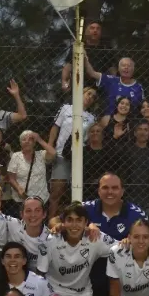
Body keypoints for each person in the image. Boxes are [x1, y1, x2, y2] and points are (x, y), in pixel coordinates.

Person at [36, 202, 116, 296]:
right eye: (70, 220)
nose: (74, 225)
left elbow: (120, 249)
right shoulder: (50, 241)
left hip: (82, 294)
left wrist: (127, 242)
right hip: (56, 292)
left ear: (86, 222)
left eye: (79, 220)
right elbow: (39, 275)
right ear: (63, 222)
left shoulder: (95, 237)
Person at [83, 173, 149, 296]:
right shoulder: (86, 208)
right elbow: (56, 221)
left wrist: (133, 241)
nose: (110, 192)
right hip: (90, 273)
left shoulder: (136, 214)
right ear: (98, 191)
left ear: (122, 191)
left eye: (115, 188)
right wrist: (86, 225)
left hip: (124, 274)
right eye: (105, 188)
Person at [48, 87, 98, 217]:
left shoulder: (91, 118)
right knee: (56, 192)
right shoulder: (66, 108)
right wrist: (50, 146)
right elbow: (55, 128)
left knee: (77, 194)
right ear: (80, 93)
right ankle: (50, 224)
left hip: (79, 158)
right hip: (61, 155)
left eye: (93, 97)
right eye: (88, 93)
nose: (90, 97)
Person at [7, 130, 55, 212]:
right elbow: (11, 178)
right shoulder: (16, 156)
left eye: (30, 139)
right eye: (24, 139)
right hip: (22, 200)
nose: (27, 141)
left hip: (41, 198)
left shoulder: (41, 155)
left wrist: (39, 139)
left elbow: (53, 153)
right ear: (20, 143)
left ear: (34, 143)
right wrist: (18, 188)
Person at [62, 20, 117, 90]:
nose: (95, 30)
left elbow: (112, 69)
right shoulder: (79, 47)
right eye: (92, 28)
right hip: (78, 85)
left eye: (98, 28)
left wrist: (113, 83)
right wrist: (64, 82)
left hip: (99, 86)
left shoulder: (106, 48)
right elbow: (68, 66)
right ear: (86, 31)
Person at [120, 120, 149, 214]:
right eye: (140, 129)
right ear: (135, 132)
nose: (142, 132)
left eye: (146, 130)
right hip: (128, 196)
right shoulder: (126, 149)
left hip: (147, 198)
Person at [83, 124, 109, 201]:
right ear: (88, 135)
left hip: (104, 187)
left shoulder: (108, 151)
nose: (95, 133)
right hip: (86, 188)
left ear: (102, 135)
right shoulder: (83, 151)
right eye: (92, 131)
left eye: (98, 131)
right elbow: (66, 153)